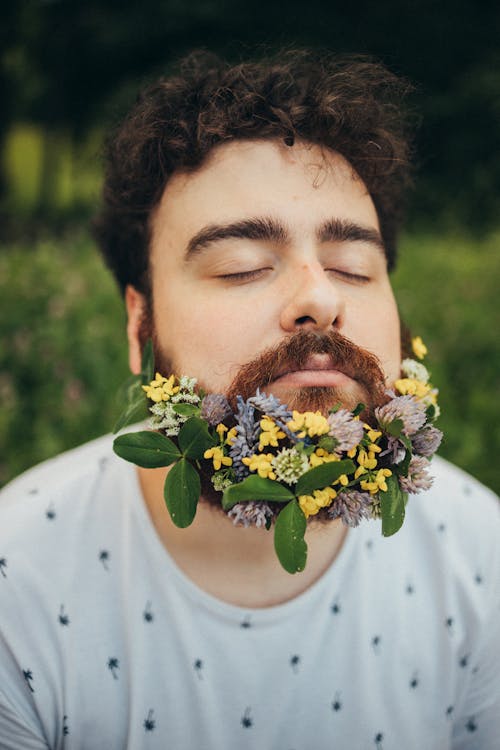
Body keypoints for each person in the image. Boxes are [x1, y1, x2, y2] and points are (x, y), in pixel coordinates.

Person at [0, 49, 498, 750]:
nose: (319, 298)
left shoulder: (481, 558)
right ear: (139, 327)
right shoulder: (16, 586)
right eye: (241, 267)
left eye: (354, 266)